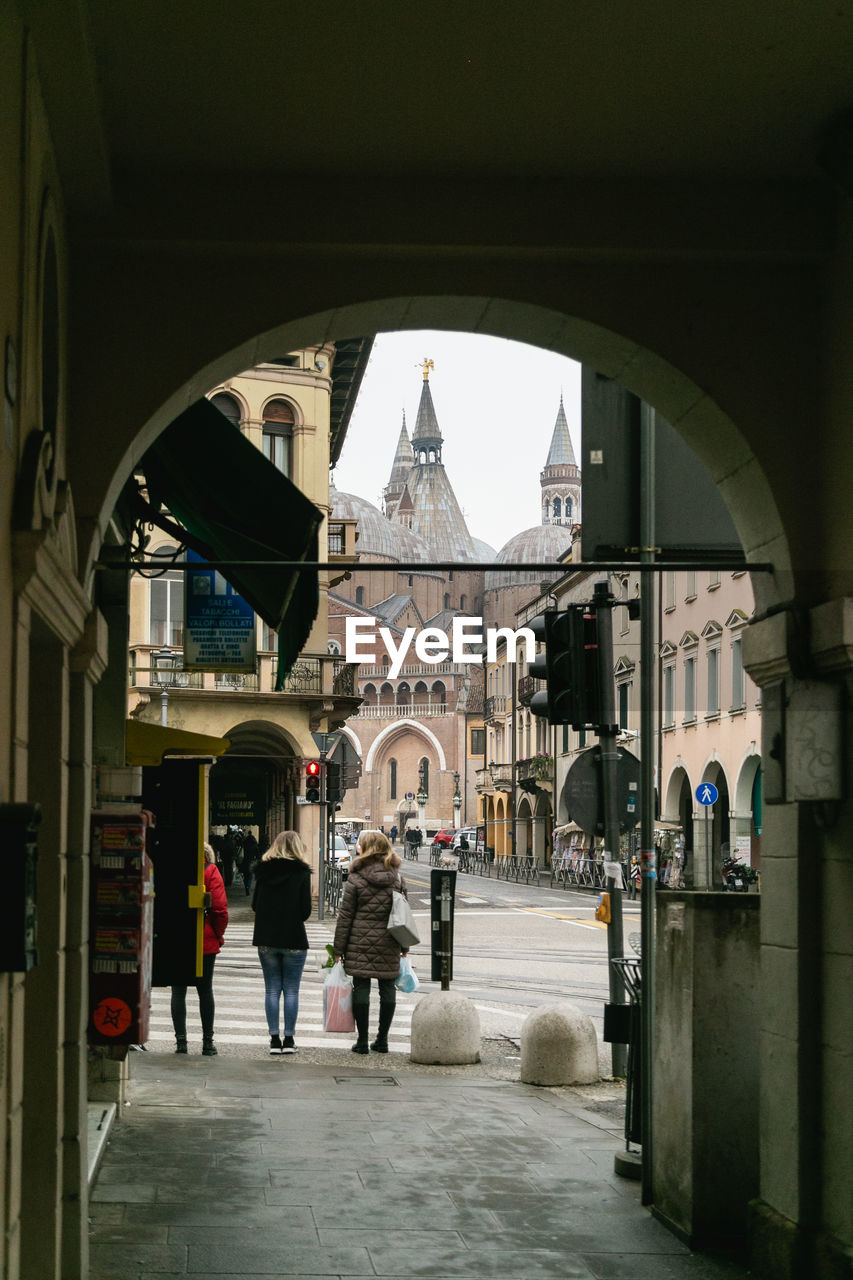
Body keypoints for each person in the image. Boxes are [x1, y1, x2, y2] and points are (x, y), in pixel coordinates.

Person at [333, 829, 409, 1055]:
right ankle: (383, 1040)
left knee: (361, 987)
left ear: (365, 849)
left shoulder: (356, 878)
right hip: (390, 941)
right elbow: (403, 914)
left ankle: (363, 1041)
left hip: (359, 941)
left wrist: (338, 949)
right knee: (387, 988)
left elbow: (345, 915)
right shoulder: (397, 878)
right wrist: (404, 946)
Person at [251, 830, 313, 1055]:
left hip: (267, 938)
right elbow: (305, 911)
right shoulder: (301, 873)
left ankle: (273, 1040)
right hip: (293, 938)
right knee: (292, 991)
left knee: (271, 990)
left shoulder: (263, 872)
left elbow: (255, 906)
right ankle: (289, 1040)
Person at [171, 842, 228, 1056]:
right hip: (204, 939)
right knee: (205, 991)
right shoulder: (210, 871)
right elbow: (220, 908)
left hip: (177, 939)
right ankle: (207, 1043)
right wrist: (217, 933)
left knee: (178, 991)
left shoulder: (175, 869)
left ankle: (181, 1043)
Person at [241, 830, 260, 895]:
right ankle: (248, 886)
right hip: (251, 862)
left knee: (245, 875)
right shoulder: (255, 846)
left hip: (245, 861)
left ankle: (246, 886)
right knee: (250, 876)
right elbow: (258, 856)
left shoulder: (245, 845)